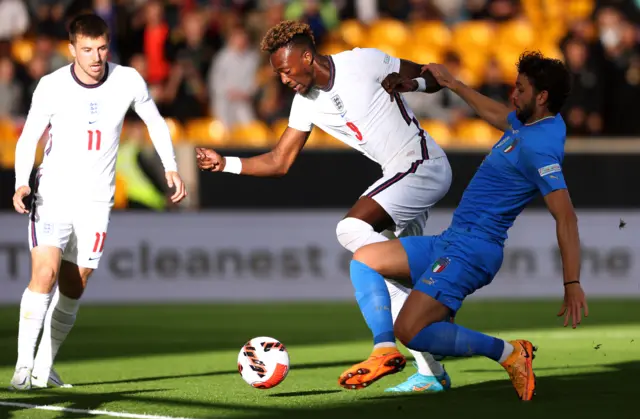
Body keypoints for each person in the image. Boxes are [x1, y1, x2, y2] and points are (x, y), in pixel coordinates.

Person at [196, 20, 452, 393]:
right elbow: (280, 161)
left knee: (350, 230)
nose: (283, 80)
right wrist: (226, 163)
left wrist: (412, 83)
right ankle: (431, 372)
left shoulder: (362, 62)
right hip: (401, 178)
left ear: (306, 56)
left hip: (422, 163)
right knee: (388, 275)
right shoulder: (305, 104)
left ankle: (421, 301)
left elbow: (432, 76)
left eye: (285, 70)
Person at [343, 51, 588, 401]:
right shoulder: (532, 122)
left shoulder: (541, 148)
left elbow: (566, 217)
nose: (513, 94)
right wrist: (453, 84)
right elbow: (496, 114)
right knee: (365, 258)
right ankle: (384, 349)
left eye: (520, 89)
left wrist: (572, 282)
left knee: (411, 331)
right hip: (453, 240)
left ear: (542, 96)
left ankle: (509, 353)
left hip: (474, 251)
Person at [10, 13, 187, 390]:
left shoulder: (127, 80)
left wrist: (170, 167)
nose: (95, 57)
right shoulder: (51, 86)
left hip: (96, 203)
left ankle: (45, 366)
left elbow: (155, 121)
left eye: (102, 47)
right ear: (72, 49)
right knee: (45, 273)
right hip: (53, 193)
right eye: (87, 49)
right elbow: (28, 139)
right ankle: (23, 367)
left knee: (75, 286)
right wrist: (21, 182)